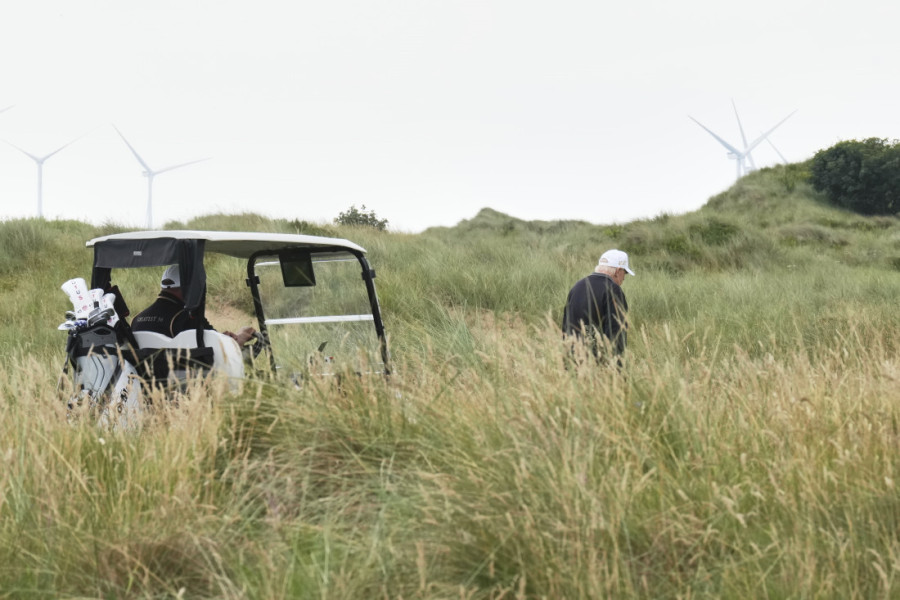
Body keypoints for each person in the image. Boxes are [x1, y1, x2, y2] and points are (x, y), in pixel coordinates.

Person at [131, 265, 256, 346]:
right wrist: (240, 337)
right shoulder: (186, 318)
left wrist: (222, 337)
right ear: (189, 288)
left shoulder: (136, 319)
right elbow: (218, 349)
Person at [561, 249, 634, 361]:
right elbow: (616, 334)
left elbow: (566, 327)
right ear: (618, 271)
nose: (624, 277)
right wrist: (617, 371)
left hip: (573, 361)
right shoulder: (613, 290)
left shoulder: (577, 286)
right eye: (625, 272)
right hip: (598, 367)